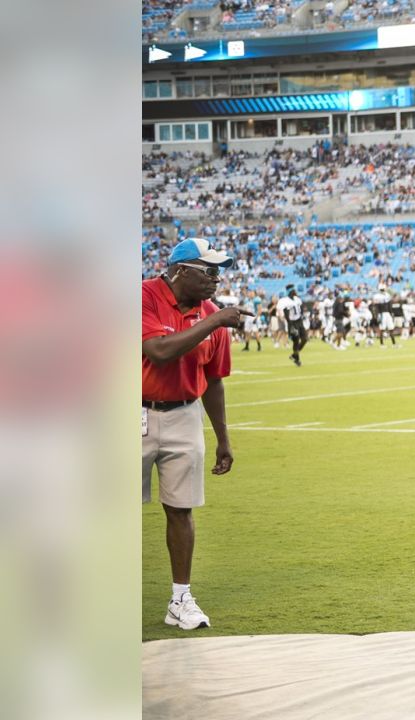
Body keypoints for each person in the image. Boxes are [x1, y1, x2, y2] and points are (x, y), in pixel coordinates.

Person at [142, 238, 251, 630]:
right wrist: (214, 320)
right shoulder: (144, 296)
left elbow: (215, 381)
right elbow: (158, 350)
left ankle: (180, 598)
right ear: (180, 270)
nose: (216, 279)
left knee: (181, 508)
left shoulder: (214, 316)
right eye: (209, 271)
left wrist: (224, 437)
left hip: (185, 414)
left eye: (219, 271)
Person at [277, 285, 307, 366]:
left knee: (305, 339)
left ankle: (294, 355)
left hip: (299, 321)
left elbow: (300, 308)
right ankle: (297, 359)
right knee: (296, 341)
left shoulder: (297, 299)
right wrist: (290, 325)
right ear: (290, 291)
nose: (296, 291)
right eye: (294, 290)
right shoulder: (285, 301)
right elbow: (286, 314)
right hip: (292, 322)